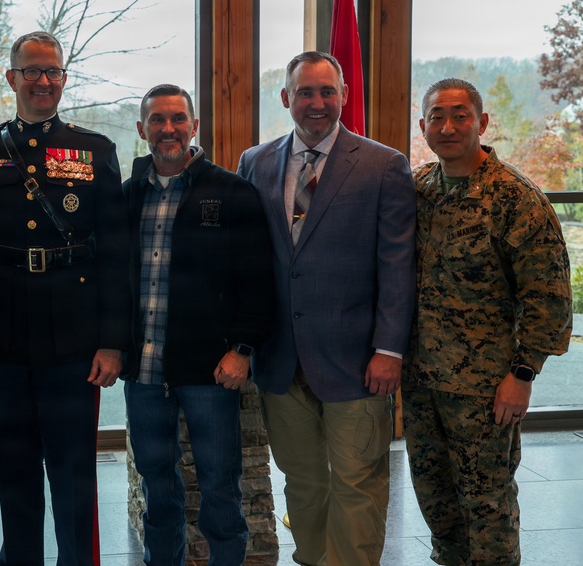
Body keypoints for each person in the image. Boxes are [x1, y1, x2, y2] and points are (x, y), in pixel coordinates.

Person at [0, 30, 130, 565]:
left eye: (53, 71)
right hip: (3, 336)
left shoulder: (94, 150)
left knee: (74, 468)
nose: (44, 81)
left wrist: (112, 341)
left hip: (75, 338)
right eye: (32, 71)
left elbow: (115, 254)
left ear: (64, 79)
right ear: (12, 79)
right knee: (14, 467)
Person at [236, 51, 416, 566]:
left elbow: (397, 266)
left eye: (327, 91)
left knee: (359, 481)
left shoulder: (384, 165)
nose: (317, 103)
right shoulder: (256, 161)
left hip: (357, 358)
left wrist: (389, 349)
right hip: (281, 358)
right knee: (303, 480)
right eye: (306, 92)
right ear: (287, 98)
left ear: (343, 96)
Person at [404, 78, 572, 566]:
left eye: (460, 115)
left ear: (482, 122)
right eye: (437, 116)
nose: (449, 125)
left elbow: (549, 298)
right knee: (436, 501)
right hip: (422, 381)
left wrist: (522, 376)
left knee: (487, 504)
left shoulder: (516, 198)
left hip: (486, 387)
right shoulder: (418, 190)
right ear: (423, 126)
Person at [122, 84, 275, 566]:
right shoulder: (126, 197)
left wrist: (243, 349)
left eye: (177, 119)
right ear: (142, 128)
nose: (168, 129)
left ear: (194, 126)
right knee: (156, 484)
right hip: (144, 370)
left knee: (219, 483)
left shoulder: (231, 192)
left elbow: (258, 279)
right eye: (157, 120)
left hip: (211, 370)